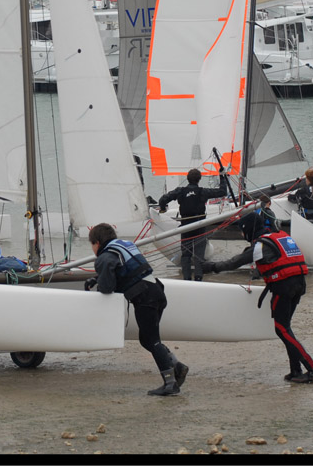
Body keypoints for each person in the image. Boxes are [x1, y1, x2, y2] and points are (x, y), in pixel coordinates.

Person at [207, 220, 313, 384]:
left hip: (284, 287)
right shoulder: (280, 238)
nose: (241, 235)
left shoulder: (260, 246)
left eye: (242, 232)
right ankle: (296, 371)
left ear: (248, 231)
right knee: (286, 329)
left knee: (281, 329)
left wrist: (211, 267)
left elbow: (235, 262)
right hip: (299, 284)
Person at [86, 223, 188, 396]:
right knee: (146, 340)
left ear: (97, 243)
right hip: (156, 292)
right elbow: (125, 268)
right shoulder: (124, 245)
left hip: (145, 298)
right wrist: (97, 277)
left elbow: (107, 288)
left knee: (152, 340)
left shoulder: (104, 257)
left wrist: (98, 286)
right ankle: (177, 366)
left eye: (92, 245)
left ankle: (170, 383)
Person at [157, 168, 230, 281]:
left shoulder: (180, 191)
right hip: (199, 226)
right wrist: (222, 176)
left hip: (186, 226)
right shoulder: (203, 191)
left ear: (187, 179)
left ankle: (186, 279)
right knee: (198, 255)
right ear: (199, 179)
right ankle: (198, 278)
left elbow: (163, 199)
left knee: (186, 254)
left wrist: (162, 208)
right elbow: (222, 192)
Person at [204, 196, 277, 275]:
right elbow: (275, 226)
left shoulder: (257, 211)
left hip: (259, 237)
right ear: (269, 203)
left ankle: (257, 273)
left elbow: (236, 262)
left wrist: (213, 267)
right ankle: (257, 273)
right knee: (258, 256)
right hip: (265, 236)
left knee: (256, 255)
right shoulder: (269, 212)